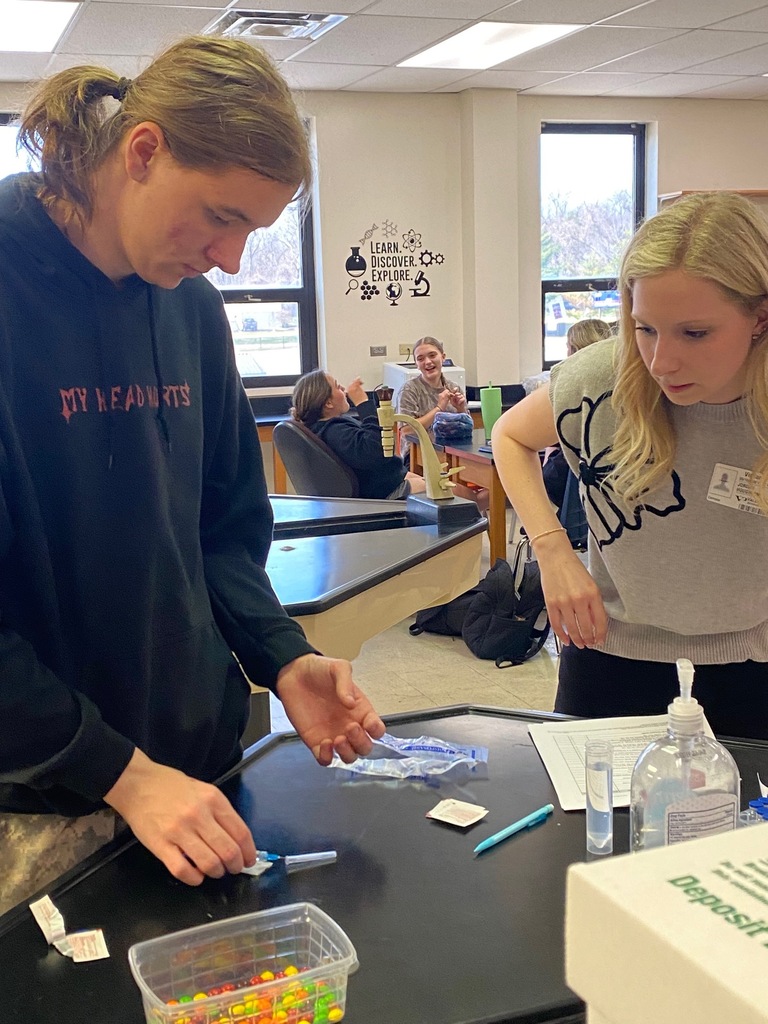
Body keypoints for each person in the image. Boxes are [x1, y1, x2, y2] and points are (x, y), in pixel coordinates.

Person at [0, 35, 385, 914]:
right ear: (144, 151)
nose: (231, 259)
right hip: (36, 796)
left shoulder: (193, 309)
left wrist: (282, 656)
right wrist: (123, 776)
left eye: (252, 231)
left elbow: (220, 536)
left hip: (194, 772)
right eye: (221, 217)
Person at [492, 191, 768, 740]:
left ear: (760, 317)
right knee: (592, 821)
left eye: (695, 333)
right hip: (608, 655)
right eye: (644, 328)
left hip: (751, 664)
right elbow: (510, 435)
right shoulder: (600, 378)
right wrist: (553, 552)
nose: (661, 361)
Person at [290, 369, 426, 499]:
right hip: (382, 492)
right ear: (328, 403)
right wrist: (363, 402)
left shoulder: (327, 427)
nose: (343, 389)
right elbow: (377, 449)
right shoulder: (335, 432)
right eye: (338, 387)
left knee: (432, 480)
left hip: (389, 479)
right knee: (439, 490)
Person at [542, 318, 613, 511]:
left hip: (571, 490)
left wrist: (549, 453)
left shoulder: (565, 387)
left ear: (573, 349)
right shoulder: (622, 382)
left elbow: (549, 477)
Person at [395, 336, 468, 460]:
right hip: (417, 456)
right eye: (420, 359)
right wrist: (439, 408)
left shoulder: (453, 387)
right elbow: (406, 429)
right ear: (416, 364)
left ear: (443, 357)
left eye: (432, 355)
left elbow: (466, 428)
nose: (428, 362)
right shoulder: (409, 390)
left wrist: (461, 410)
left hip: (451, 452)